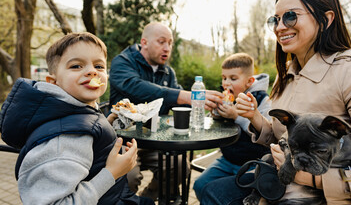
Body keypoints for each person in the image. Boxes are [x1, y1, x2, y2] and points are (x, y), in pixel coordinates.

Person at [200, 0, 351, 205]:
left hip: (325, 195)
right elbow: (284, 140)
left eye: (290, 16)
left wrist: (314, 179)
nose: (280, 26)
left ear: (327, 19)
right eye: (275, 19)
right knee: (210, 190)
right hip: (279, 180)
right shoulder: (286, 74)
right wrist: (254, 117)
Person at [0, 32, 154, 205]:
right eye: (76, 66)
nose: (91, 72)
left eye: (99, 66)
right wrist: (111, 173)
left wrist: (106, 123)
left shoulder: (76, 110)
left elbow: (81, 129)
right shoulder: (65, 140)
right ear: (53, 82)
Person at [109, 22, 224, 199]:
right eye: (162, 42)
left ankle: (146, 199)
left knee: (179, 166)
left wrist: (206, 106)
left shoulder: (168, 72)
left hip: (156, 141)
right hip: (123, 140)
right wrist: (185, 96)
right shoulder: (122, 62)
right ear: (144, 42)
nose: (167, 48)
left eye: (170, 43)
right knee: (129, 177)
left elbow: (182, 103)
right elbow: (137, 87)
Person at [193, 53, 271, 200]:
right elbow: (219, 127)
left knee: (226, 195)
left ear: (249, 81)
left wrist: (236, 116)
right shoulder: (228, 97)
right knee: (200, 185)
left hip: (253, 162)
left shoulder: (261, 99)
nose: (226, 83)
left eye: (233, 78)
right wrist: (215, 115)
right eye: (224, 78)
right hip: (228, 159)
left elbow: (266, 131)